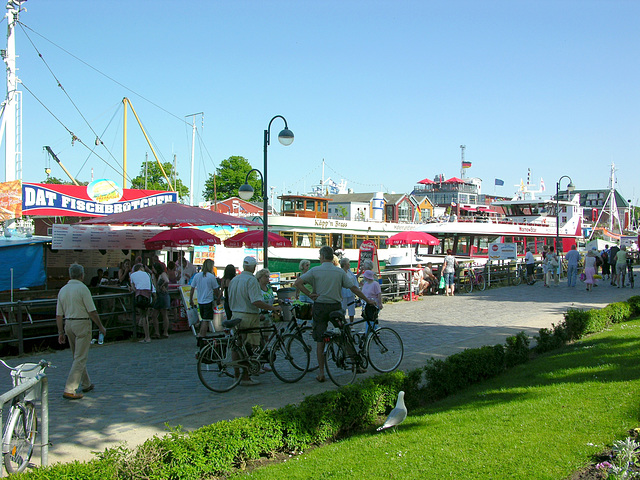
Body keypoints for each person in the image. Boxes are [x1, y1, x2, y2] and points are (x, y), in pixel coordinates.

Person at [294, 246, 375, 383]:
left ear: (322, 256)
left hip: (320, 307)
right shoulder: (339, 272)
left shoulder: (315, 270)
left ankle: (321, 373)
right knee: (345, 335)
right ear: (332, 257)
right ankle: (356, 365)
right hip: (335, 307)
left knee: (320, 340)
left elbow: (298, 283)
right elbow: (353, 288)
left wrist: (309, 294)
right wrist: (367, 300)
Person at [56, 263, 107, 400]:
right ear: (82, 275)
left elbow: (59, 315)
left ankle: (86, 383)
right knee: (80, 357)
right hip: (82, 322)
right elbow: (92, 311)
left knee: (77, 356)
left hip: (69, 323)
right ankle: (70, 388)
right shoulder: (83, 289)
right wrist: (101, 326)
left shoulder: (63, 290)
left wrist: (60, 332)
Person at [228, 256, 281, 386]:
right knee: (250, 346)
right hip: (249, 315)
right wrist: (272, 308)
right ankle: (245, 376)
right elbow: (256, 301)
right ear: (253, 267)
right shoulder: (251, 280)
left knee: (237, 346)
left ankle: (237, 375)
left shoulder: (235, 279)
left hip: (235, 314)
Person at [189, 259, 221, 338]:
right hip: (208, 300)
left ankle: (201, 333)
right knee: (206, 320)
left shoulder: (197, 276)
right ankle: (202, 335)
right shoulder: (211, 276)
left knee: (203, 318)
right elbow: (216, 289)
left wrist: (191, 299)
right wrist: (218, 298)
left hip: (200, 300)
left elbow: (192, 288)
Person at [130, 263, 154, 343]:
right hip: (148, 296)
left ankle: (147, 337)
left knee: (143, 316)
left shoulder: (132, 275)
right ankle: (147, 336)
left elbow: (133, 288)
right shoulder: (147, 274)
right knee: (145, 316)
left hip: (140, 296)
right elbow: (152, 286)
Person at [150, 262, 170, 338]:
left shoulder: (162, 274)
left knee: (159, 314)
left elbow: (167, 281)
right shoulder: (156, 275)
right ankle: (161, 332)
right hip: (161, 295)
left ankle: (161, 332)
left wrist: (162, 286)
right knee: (161, 314)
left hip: (162, 295)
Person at [339, 257, 357, 322]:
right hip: (343, 293)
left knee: (351, 308)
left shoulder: (350, 272)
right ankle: (343, 322)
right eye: (348, 264)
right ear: (344, 265)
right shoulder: (340, 272)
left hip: (351, 292)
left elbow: (354, 279)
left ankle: (351, 323)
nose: (349, 265)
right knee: (343, 308)